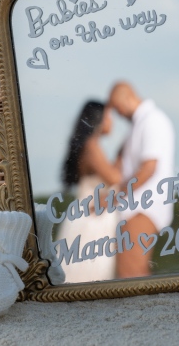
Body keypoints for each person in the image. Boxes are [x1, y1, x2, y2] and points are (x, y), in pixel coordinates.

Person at [108, 82, 175, 279]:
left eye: (117, 107)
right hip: (134, 207)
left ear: (127, 97)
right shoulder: (139, 125)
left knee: (131, 274)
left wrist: (115, 196)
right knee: (133, 273)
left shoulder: (153, 120)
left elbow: (149, 168)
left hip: (143, 208)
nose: (118, 114)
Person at [56, 100, 121, 283]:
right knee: (90, 273)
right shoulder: (92, 146)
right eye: (109, 117)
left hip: (89, 214)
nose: (112, 122)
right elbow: (115, 178)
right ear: (98, 119)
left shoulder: (90, 145)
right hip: (92, 218)